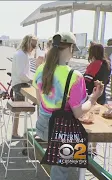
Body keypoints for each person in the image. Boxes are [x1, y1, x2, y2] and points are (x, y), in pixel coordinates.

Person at [33, 32, 104, 180]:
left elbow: (40, 101)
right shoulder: (74, 76)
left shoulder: (41, 69)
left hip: (41, 127)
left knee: (61, 166)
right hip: (62, 131)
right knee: (61, 172)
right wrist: (93, 98)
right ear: (71, 48)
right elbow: (78, 113)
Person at [11, 34, 37, 139]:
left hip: (18, 83)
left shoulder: (20, 53)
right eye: (33, 45)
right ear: (27, 43)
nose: (34, 47)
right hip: (20, 84)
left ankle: (15, 131)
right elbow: (22, 74)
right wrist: (31, 80)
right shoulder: (22, 55)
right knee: (19, 109)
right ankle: (15, 132)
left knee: (18, 109)